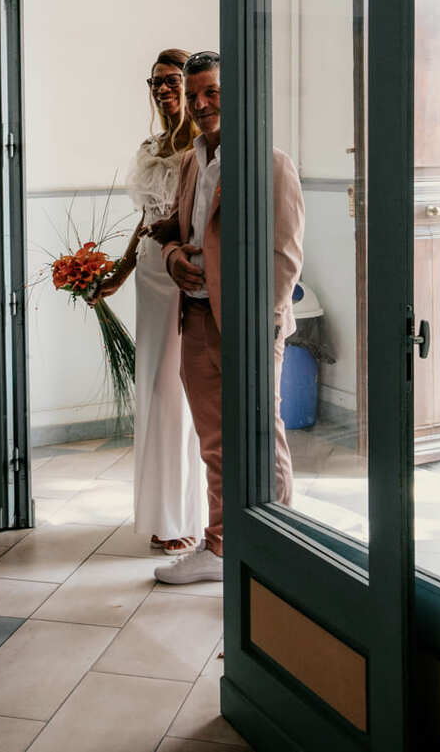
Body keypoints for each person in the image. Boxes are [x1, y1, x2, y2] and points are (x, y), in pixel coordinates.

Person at [150, 50, 304, 584]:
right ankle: (219, 548)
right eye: (194, 96)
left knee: (262, 437)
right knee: (214, 442)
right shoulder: (193, 159)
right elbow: (172, 227)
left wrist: (258, 330)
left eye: (211, 92)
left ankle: (278, 550)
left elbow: (285, 258)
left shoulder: (271, 162)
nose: (200, 104)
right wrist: (172, 259)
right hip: (194, 323)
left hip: (249, 330)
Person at [92, 49, 204, 554]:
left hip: (186, 274)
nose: (162, 89)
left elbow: (195, 216)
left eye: (171, 80)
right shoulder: (151, 145)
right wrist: (118, 272)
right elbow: (146, 219)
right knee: (154, 391)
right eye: (155, 81)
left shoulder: (202, 145)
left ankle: (185, 515)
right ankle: (161, 511)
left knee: (176, 392)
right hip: (150, 280)